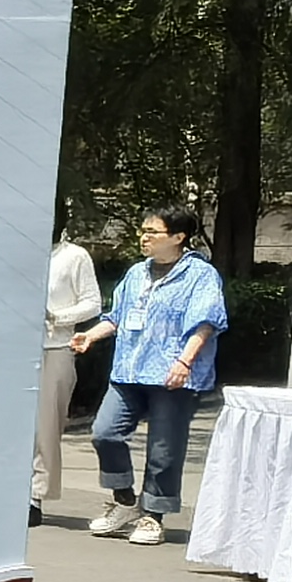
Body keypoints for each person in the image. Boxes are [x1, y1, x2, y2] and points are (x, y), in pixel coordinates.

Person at [75, 209, 227, 545]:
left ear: (178, 237)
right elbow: (116, 316)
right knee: (105, 433)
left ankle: (153, 516)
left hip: (173, 374)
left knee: (164, 448)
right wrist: (90, 336)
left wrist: (185, 362)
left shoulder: (200, 275)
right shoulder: (136, 273)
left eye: (152, 232)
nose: (144, 237)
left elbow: (206, 322)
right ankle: (125, 501)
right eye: (142, 230)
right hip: (129, 371)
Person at [35, 230, 100, 520]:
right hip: (13, 348)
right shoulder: (17, 249)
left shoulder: (73, 256)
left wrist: (57, 317)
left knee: (46, 424)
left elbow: (92, 303)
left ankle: (35, 496)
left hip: (55, 346)